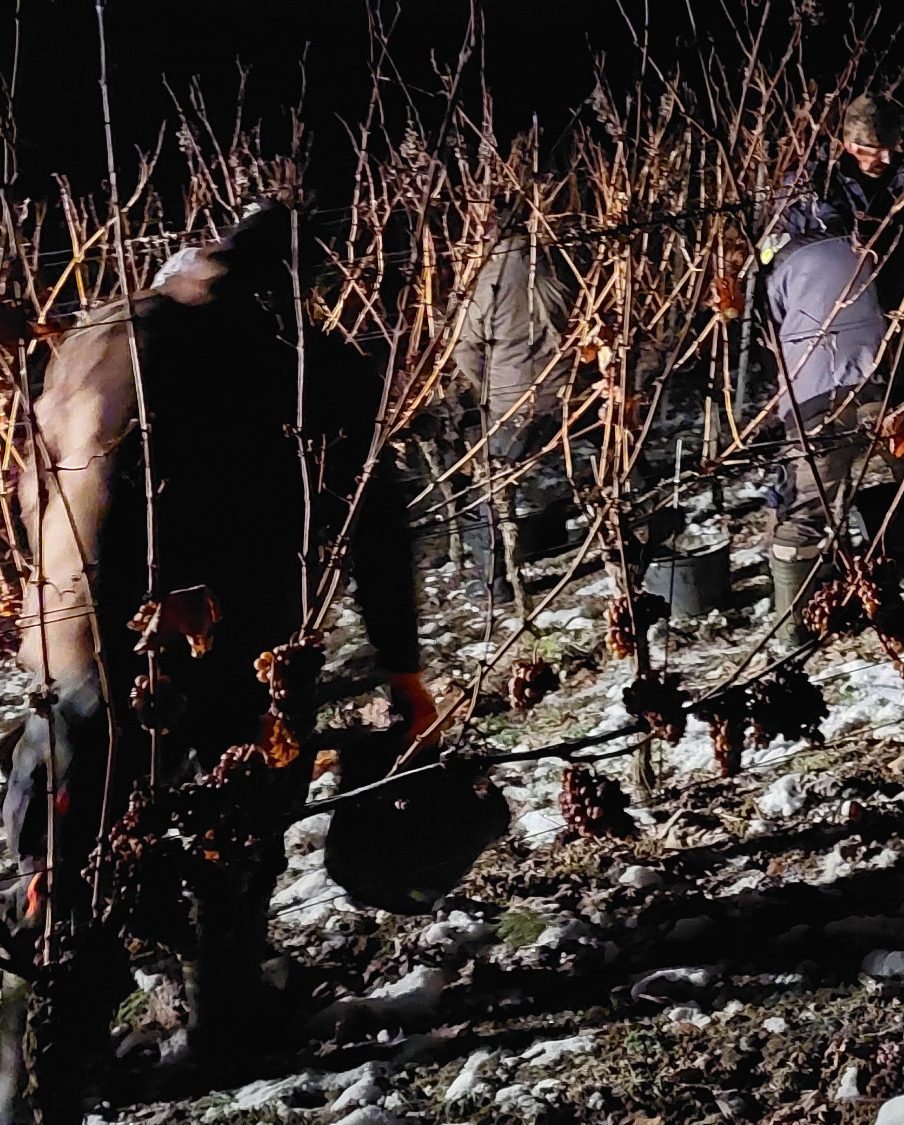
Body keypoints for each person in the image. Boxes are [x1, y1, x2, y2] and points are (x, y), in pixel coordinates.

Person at [2, 204, 434, 1089]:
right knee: (231, 823)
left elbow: (27, 480)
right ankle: (221, 1019)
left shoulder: (95, 334)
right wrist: (401, 662)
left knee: (62, 840)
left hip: (69, 635)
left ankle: (38, 1060)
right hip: (226, 640)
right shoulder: (309, 360)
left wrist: (42, 605)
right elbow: (373, 523)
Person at [760, 93, 904, 639]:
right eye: (865, 149)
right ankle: (796, 621)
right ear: (843, 143)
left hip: (882, 355)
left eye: (887, 149)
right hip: (837, 368)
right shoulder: (805, 204)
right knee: (814, 490)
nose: (877, 158)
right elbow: (772, 297)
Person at [448, 212, 576, 605]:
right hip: (562, 391)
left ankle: (493, 583)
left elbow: (464, 345)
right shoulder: (559, 261)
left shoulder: (492, 278)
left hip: (512, 399)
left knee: (490, 491)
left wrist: (484, 387)